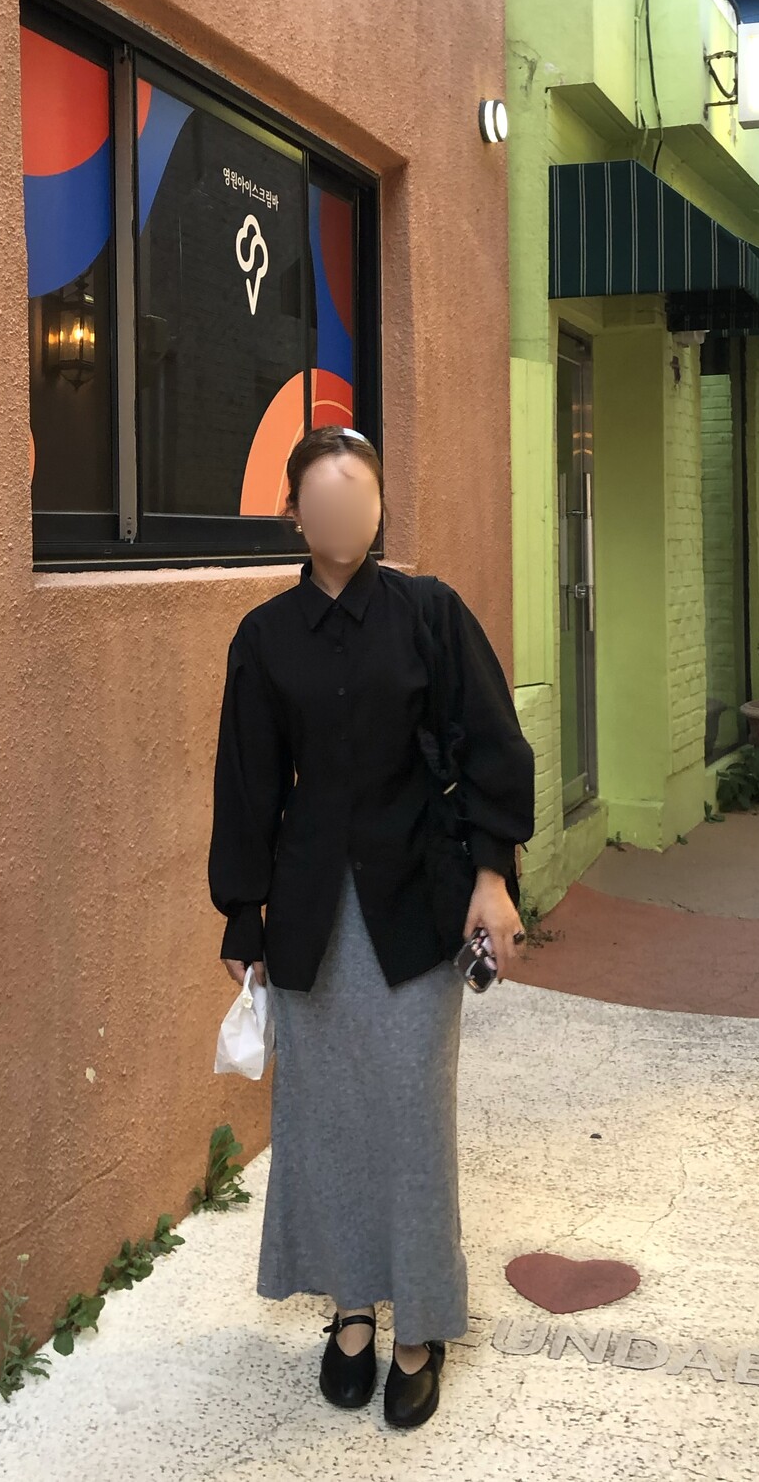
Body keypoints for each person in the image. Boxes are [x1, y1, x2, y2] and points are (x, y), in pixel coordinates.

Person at [207, 424, 536, 1429]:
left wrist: (493, 879)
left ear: (380, 508)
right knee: (323, 1118)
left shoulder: (431, 615)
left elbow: (494, 747)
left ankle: (421, 1327)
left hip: (419, 903)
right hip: (311, 911)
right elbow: (248, 782)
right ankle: (351, 1310)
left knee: (411, 1116)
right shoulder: (265, 638)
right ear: (294, 515)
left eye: (360, 498)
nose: (343, 516)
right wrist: (244, 917)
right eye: (324, 500)